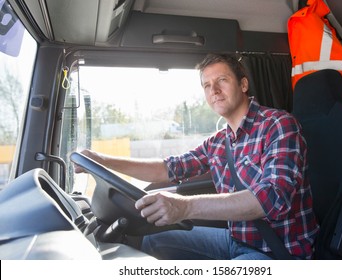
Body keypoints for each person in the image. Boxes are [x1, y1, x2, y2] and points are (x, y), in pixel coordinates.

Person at [76, 53, 319, 260]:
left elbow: (272, 199)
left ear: (243, 85)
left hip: (276, 252)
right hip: (235, 240)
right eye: (206, 85)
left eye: (222, 80)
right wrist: (100, 160)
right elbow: (167, 169)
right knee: (149, 239)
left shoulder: (279, 124)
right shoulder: (218, 142)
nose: (213, 90)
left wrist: (185, 207)